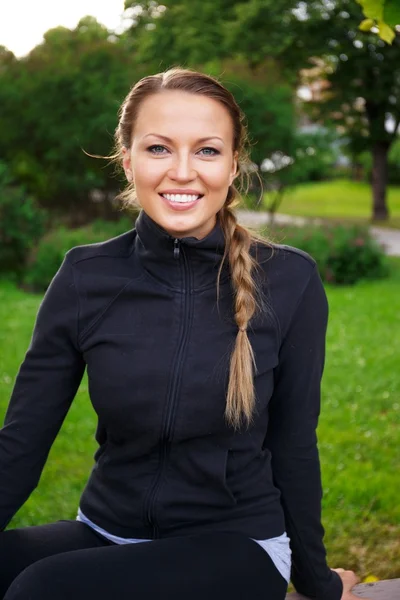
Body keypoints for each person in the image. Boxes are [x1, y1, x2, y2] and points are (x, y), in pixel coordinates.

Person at [0, 68, 367, 600]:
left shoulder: (290, 281)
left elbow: (293, 444)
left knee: (44, 590)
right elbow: (21, 442)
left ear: (233, 165)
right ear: (127, 160)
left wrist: (317, 581)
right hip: (108, 531)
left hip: (237, 544)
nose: (182, 172)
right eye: (158, 148)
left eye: (207, 151)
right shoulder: (85, 277)